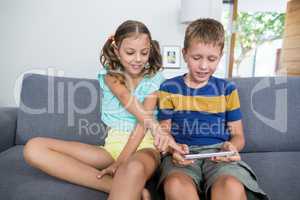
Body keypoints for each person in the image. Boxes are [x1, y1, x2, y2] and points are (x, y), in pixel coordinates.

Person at [23, 20, 182, 200]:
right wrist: (119, 160)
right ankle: (117, 186)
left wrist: (123, 161)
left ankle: (127, 183)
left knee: (132, 168)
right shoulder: (111, 76)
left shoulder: (154, 78)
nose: (138, 59)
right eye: (130, 52)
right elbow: (126, 99)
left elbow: (141, 123)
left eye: (144, 53)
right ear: (117, 51)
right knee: (34, 147)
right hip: (111, 148)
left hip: (144, 146)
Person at [157, 18, 268, 200]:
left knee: (230, 186)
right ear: (185, 54)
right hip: (183, 155)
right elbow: (164, 130)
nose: (203, 66)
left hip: (219, 155)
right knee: (176, 185)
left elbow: (238, 136)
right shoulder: (169, 87)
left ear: (220, 56)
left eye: (211, 59)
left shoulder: (227, 89)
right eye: (196, 57)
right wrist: (173, 149)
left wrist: (232, 147)